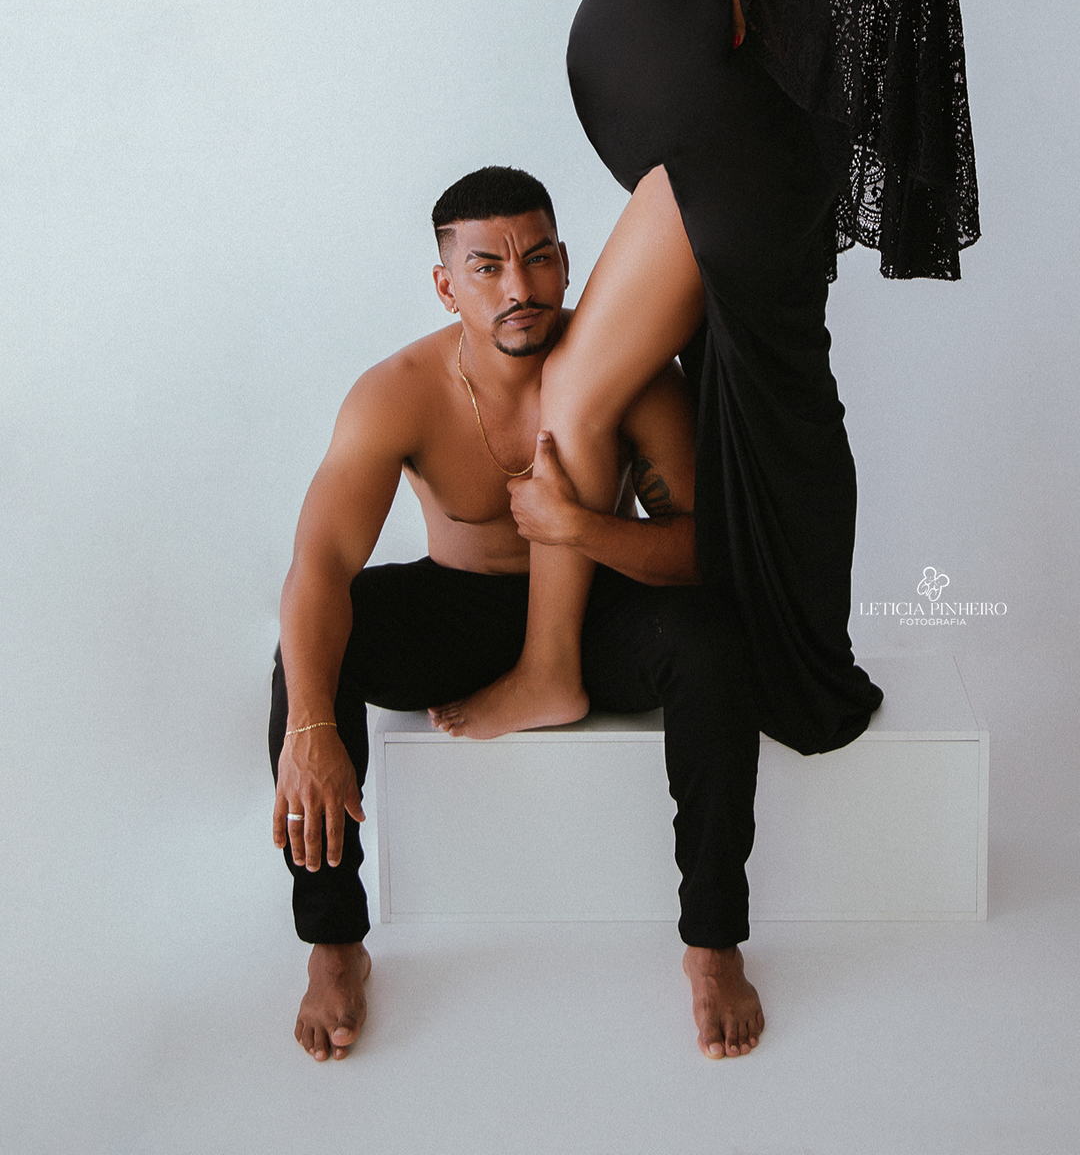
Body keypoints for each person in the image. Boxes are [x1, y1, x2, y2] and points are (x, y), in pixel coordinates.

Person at [441, 0, 979, 752]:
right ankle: (685, 652)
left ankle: (567, 671)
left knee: (680, 398)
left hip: (729, 155)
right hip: (707, 155)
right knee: (746, 400)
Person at [270, 166, 765, 1064]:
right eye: (487, 267)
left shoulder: (625, 375)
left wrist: (579, 527)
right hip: (458, 611)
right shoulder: (399, 392)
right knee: (313, 649)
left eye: (537, 258)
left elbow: (703, 553)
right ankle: (334, 941)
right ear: (445, 285)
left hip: (595, 613)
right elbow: (321, 564)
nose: (519, 287)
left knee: (712, 642)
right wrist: (310, 725)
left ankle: (713, 942)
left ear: (568, 262)